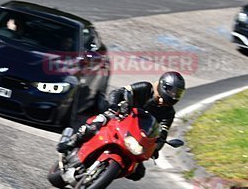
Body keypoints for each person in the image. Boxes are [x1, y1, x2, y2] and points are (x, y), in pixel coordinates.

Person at [57, 71, 186, 180]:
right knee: (98, 123)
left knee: (138, 172)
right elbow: (119, 92)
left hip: (136, 136)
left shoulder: (169, 113)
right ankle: (72, 141)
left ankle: (102, 175)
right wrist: (114, 107)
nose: (174, 96)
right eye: (172, 92)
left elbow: (163, 131)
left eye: (178, 94)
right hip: (120, 118)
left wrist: (156, 147)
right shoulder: (146, 88)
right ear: (163, 86)